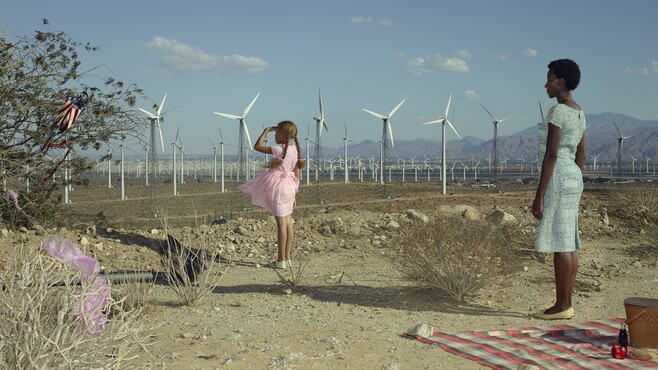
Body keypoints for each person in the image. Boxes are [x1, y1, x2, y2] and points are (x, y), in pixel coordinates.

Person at [532, 59, 587, 320]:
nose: (546, 84)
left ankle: (561, 306)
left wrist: (539, 195)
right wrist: (573, 177)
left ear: (561, 81)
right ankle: (567, 303)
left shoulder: (558, 113)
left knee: (560, 242)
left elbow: (551, 155)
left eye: (549, 79)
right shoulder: (579, 112)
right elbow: (582, 154)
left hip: (559, 175)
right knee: (569, 241)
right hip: (574, 176)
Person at [238, 120, 305, 269]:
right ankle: (286, 258)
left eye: (276, 133)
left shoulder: (278, 149)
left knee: (281, 224)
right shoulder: (294, 150)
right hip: (289, 187)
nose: (274, 136)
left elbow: (257, 146)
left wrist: (266, 131)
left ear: (282, 134)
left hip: (278, 187)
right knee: (288, 223)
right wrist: (294, 193)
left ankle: (280, 260)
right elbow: (297, 172)